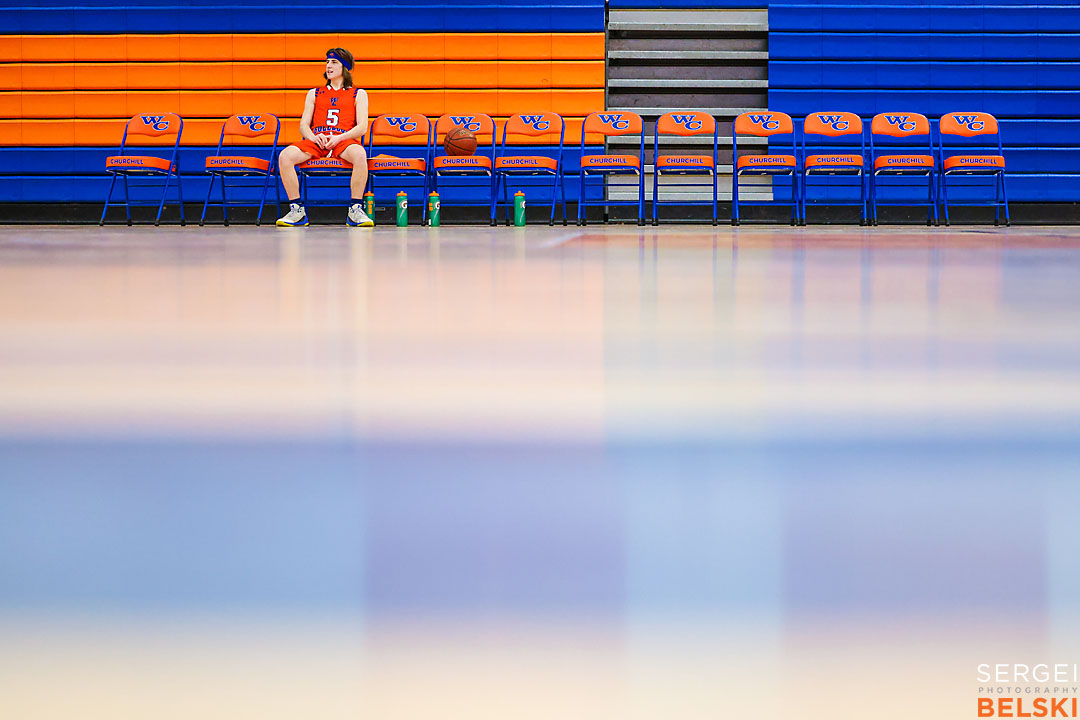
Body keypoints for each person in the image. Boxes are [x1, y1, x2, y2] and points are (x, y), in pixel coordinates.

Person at [276, 48, 373, 227]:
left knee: (360, 155)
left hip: (343, 140)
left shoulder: (359, 94)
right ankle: (297, 210)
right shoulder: (314, 93)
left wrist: (339, 137)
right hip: (317, 141)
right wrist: (313, 137)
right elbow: (303, 125)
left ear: (344, 67)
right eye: (327, 62)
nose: (328, 66)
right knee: (285, 156)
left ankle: (355, 209)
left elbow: (362, 127)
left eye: (334, 62)